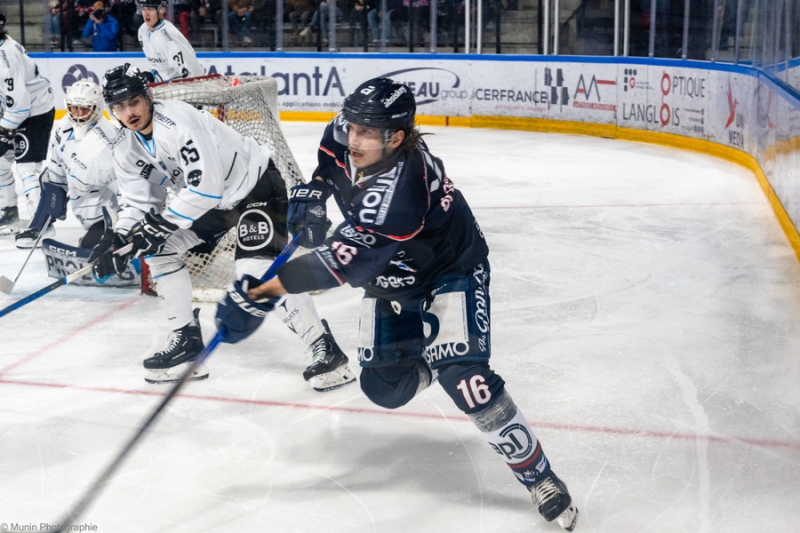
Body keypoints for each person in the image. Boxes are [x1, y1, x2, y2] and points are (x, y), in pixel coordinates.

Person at [215, 78, 580, 531]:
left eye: (368, 133)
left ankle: (538, 476)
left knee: (467, 381)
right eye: (353, 128)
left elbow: (336, 265)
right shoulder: (348, 131)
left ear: (397, 137)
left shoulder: (403, 187)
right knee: (385, 390)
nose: (355, 139)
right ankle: (439, 353)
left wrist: (259, 294)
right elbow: (331, 162)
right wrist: (315, 191)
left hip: (449, 269)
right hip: (395, 277)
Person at [90, 63, 356, 391]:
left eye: (133, 102)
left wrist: (156, 226)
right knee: (160, 251)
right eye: (119, 106)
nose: (128, 112)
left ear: (147, 97)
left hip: (255, 187)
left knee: (256, 275)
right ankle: (186, 341)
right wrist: (119, 237)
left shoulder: (178, 121)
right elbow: (140, 204)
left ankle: (326, 348)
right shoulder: (125, 148)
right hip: (212, 205)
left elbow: (206, 188)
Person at [15, 80, 119, 249]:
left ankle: (108, 236)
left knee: (92, 249)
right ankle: (41, 226)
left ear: (97, 108)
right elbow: (56, 180)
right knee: (48, 177)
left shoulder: (108, 140)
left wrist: (126, 228)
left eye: (85, 108)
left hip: (109, 217)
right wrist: (41, 221)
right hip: (87, 217)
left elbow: (126, 190)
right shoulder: (62, 131)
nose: (78, 113)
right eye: (73, 107)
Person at [0, 11, 56, 236]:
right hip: (16, 111)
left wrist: (4, 132)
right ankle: (9, 212)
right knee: (1, 163)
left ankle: (41, 224)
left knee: (27, 169)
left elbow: (20, 105)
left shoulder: (6, 58)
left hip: (35, 112)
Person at [137, 0, 204, 81]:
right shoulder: (143, 30)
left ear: (162, 10)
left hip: (176, 88)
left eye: (150, 9)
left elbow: (194, 72)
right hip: (160, 85)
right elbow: (156, 65)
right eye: (143, 9)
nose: (146, 13)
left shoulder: (168, 38)